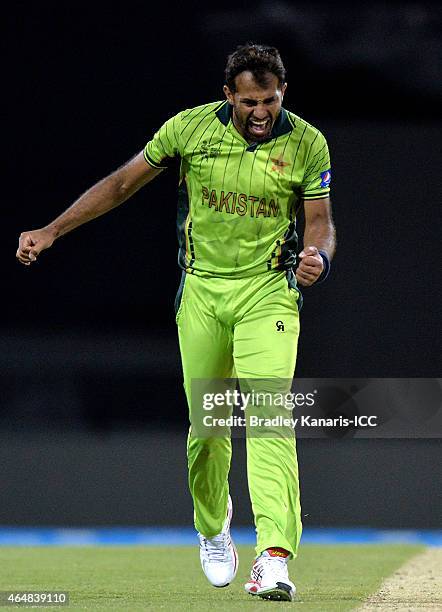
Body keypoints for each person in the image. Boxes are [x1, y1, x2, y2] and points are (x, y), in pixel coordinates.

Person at [16, 43, 336, 601]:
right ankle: (214, 529)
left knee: (268, 415)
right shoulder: (187, 131)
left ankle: (274, 556)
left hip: (269, 293)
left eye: (270, 100)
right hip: (203, 294)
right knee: (208, 430)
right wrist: (52, 230)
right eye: (249, 102)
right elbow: (120, 185)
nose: (261, 112)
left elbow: (319, 222)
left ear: (283, 93)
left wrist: (319, 257)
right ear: (227, 97)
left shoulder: (307, 142)